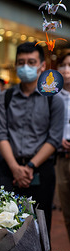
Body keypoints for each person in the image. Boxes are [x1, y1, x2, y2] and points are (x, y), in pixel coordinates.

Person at [0, 42, 64, 237]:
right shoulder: (4, 98)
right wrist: (16, 168)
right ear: (15, 66)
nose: (26, 67)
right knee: (5, 228)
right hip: (9, 171)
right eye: (21, 62)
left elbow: (54, 139)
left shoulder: (54, 99)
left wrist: (30, 166)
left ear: (42, 66)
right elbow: (1, 134)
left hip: (41, 171)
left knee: (40, 230)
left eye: (31, 62)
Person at [55, 52, 70, 241]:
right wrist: (57, 139)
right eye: (64, 65)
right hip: (60, 158)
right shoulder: (53, 96)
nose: (67, 70)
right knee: (67, 211)